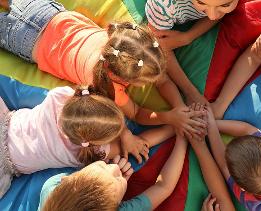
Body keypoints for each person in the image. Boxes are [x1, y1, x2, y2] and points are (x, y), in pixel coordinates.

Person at [0, 0, 206, 139]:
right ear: (124, 79)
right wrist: (168, 117)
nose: (158, 79)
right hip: (27, 41)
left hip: (46, 13)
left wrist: (179, 108)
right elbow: (136, 113)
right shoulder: (109, 86)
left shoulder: (119, 39)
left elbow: (163, 81)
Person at [0, 85, 175, 199]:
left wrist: (125, 134)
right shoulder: (79, 153)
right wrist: (174, 128)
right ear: (88, 141)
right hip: (5, 162)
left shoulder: (61, 95)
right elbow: (142, 142)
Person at [39, 135, 188, 211]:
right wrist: (183, 138)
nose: (114, 168)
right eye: (117, 178)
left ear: (68, 179)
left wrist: (116, 183)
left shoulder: (53, 186)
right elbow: (164, 187)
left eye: (103, 167)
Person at [145, 0, 239, 104]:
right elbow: (160, 45)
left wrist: (188, 37)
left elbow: (214, 17)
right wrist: (190, 92)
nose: (212, 16)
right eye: (201, 2)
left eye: (225, 5)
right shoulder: (162, 5)